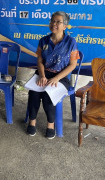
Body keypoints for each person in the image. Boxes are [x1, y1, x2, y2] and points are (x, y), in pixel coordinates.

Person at [26, 11, 79, 139]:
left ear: (65, 26)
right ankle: (32, 121)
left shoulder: (71, 42)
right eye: (52, 21)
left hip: (61, 77)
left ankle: (51, 125)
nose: (54, 24)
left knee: (48, 95)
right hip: (43, 73)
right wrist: (42, 76)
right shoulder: (43, 41)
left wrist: (56, 78)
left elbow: (72, 65)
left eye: (58, 22)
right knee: (34, 92)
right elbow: (39, 60)